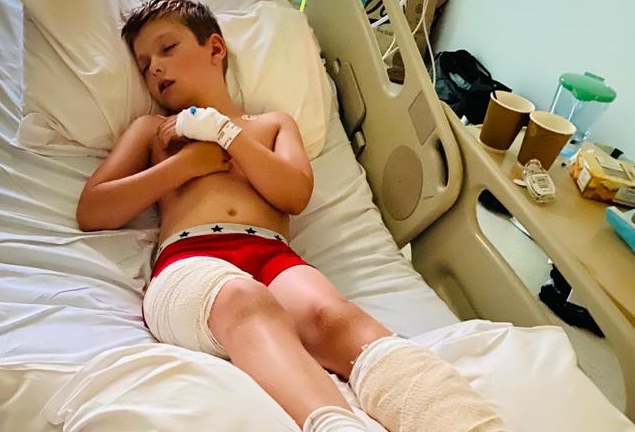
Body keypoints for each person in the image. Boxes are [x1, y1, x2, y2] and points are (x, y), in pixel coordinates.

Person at [77, 1, 512, 431]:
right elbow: (93, 210)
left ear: (215, 49)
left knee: (335, 318)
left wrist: (225, 135)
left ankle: (460, 421)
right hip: (191, 259)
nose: (154, 67)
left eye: (168, 48)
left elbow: (294, 194)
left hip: (272, 257)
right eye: (144, 64)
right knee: (246, 301)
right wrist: (183, 167)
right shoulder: (152, 132)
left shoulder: (271, 125)